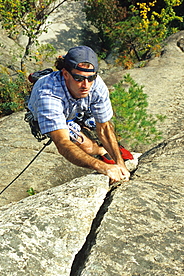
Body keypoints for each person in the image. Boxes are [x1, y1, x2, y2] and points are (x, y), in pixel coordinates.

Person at [28, 45, 132, 184]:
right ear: (65, 74)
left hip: (78, 106)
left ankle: (104, 146)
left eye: (91, 78)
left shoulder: (95, 85)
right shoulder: (48, 95)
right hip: (59, 111)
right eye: (78, 78)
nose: (86, 85)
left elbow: (104, 128)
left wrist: (120, 163)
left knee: (97, 123)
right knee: (86, 146)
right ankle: (101, 151)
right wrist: (103, 167)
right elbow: (62, 143)